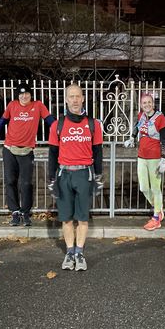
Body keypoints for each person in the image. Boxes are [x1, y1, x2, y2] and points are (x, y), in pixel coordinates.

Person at [0, 83, 55, 226]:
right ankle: (15, 212)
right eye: (21, 94)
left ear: (31, 94)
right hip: (9, 149)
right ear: (18, 95)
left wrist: (63, 132)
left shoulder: (38, 105)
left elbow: (51, 122)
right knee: (10, 181)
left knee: (26, 183)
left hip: (27, 150)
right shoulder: (12, 105)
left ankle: (25, 212)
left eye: (27, 93)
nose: (24, 96)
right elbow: (1, 123)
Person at [47, 84, 104, 271]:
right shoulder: (58, 124)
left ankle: (79, 253)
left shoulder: (93, 124)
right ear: (66, 100)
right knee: (66, 219)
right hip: (64, 174)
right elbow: (52, 153)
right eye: (71, 96)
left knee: (83, 218)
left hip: (84, 174)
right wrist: (51, 178)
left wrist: (98, 175)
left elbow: (98, 152)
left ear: (83, 99)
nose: (74, 100)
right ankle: (69, 253)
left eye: (78, 96)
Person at [124, 92, 165, 230]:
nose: (147, 105)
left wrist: (164, 159)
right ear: (141, 105)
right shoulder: (141, 115)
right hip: (141, 156)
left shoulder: (160, 118)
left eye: (149, 102)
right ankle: (158, 208)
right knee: (143, 187)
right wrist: (132, 137)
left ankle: (156, 217)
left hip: (155, 157)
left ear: (153, 103)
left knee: (155, 187)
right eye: (144, 103)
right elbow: (138, 126)